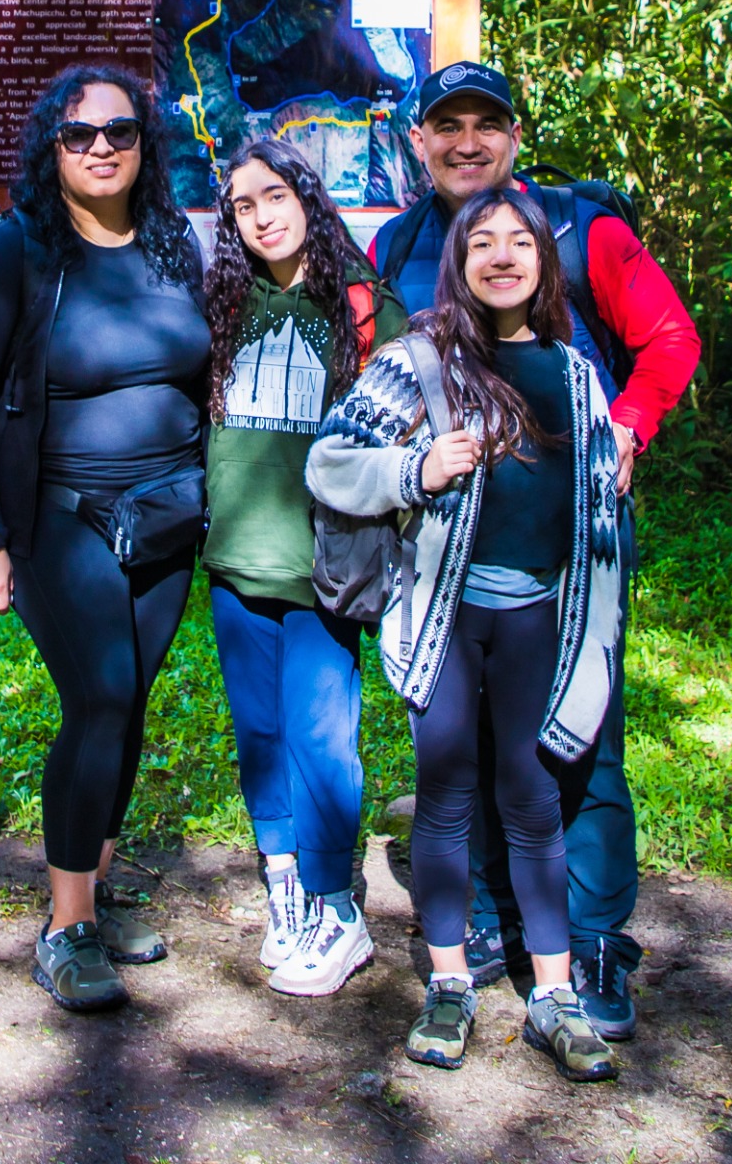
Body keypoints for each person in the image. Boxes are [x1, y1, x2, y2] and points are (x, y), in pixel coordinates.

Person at [368, 60, 701, 1040]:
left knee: (584, 733)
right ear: (418, 139)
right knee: (458, 739)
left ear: (514, 136)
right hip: (451, 540)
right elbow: (380, 372)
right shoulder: (397, 241)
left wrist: (630, 427)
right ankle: (476, 915)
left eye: (486, 123)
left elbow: (669, 336)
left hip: (575, 537)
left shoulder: (579, 228)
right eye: (447, 124)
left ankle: (594, 938)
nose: (466, 140)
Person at [308, 185, 630, 1083]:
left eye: (518, 242)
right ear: (458, 262)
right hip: (444, 618)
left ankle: (555, 996)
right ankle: (449, 985)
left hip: (539, 620)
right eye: (480, 242)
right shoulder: (419, 362)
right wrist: (417, 466)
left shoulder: (573, 372)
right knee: (447, 792)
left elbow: (599, 514)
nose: (500, 256)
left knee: (534, 799)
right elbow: (329, 461)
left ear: (542, 262)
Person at [0, 64, 212, 1014]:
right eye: (79, 134)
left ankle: (90, 891)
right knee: (98, 695)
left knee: (127, 707)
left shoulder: (175, 243)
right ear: (50, 148)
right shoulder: (19, 250)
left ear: (146, 145)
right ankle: (64, 929)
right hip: (61, 516)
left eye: (120, 132)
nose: (101, 148)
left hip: (170, 515)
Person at [198, 138, 405, 996]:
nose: (261, 216)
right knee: (261, 735)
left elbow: (402, 431)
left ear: (307, 198)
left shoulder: (361, 306)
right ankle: (285, 885)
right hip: (234, 559)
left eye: (275, 196)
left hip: (324, 567)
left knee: (323, 739)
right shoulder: (222, 304)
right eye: (243, 206)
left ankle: (336, 909)